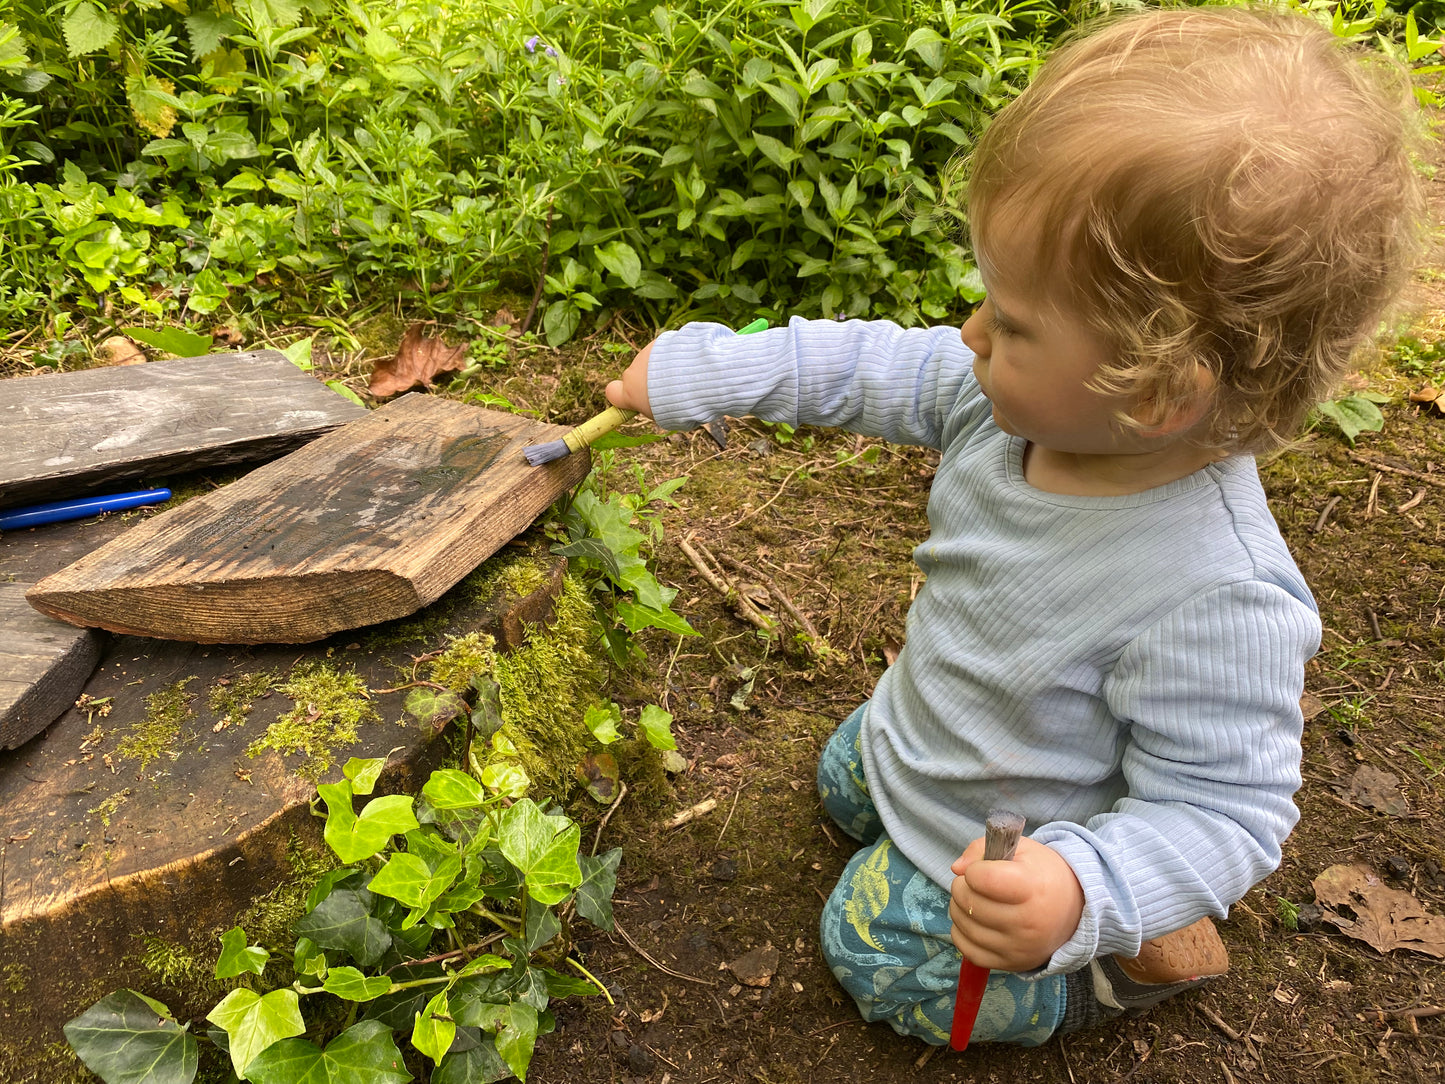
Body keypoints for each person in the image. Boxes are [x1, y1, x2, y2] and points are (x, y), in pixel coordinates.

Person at [603, 5, 1422, 1046]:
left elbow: (1225, 812)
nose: (970, 331)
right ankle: (932, 798)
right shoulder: (997, 398)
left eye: (1014, 321)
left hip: (1015, 840)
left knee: (872, 943)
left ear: (1157, 390)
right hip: (931, 732)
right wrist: (701, 370)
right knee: (844, 775)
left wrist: (1075, 890)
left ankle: (1115, 974)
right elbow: (863, 365)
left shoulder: (1213, 595)